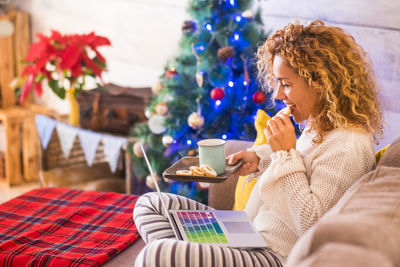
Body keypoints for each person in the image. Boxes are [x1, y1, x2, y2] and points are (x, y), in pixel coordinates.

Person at [133, 20, 383, 266]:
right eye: (277, 83)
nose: (278, 95)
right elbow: (304, 167)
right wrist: (260, 159)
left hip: (272, 257)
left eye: (286, 84)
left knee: (155, 255)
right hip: (247, 234)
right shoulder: (319, 125)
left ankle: (186, 256)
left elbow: (313, 225)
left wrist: (284, 154)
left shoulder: (347, 147)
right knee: (150, 204)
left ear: (321, 83)